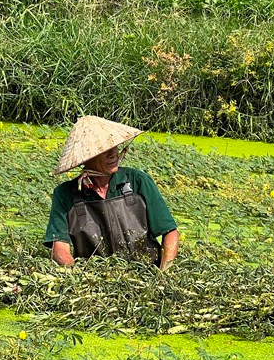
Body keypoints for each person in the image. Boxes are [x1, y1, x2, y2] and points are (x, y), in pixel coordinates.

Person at [44, 115, 180, 270]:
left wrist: (163, 273)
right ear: (86, 157)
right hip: (95, 277)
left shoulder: (138, 181)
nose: (113, 153)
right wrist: (78, 276)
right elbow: (59, 247)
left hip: (145, 272)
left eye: (114, 146)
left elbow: (170, 232)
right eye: (104, 150)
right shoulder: (66, 194)